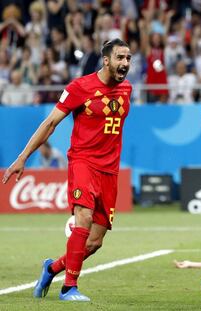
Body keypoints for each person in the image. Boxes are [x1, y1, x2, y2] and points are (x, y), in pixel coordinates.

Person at [2, 38, 132, 301]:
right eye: (120, 58)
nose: (125, 64)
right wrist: (23, 157)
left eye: (128, 58)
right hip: (83, 162)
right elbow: (50, 123)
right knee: (82, 217)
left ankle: (51, 268)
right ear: (106, 60)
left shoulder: (127, 88)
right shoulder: (80, 87)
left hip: (110, 171)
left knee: (94, 243)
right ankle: (68, 288)